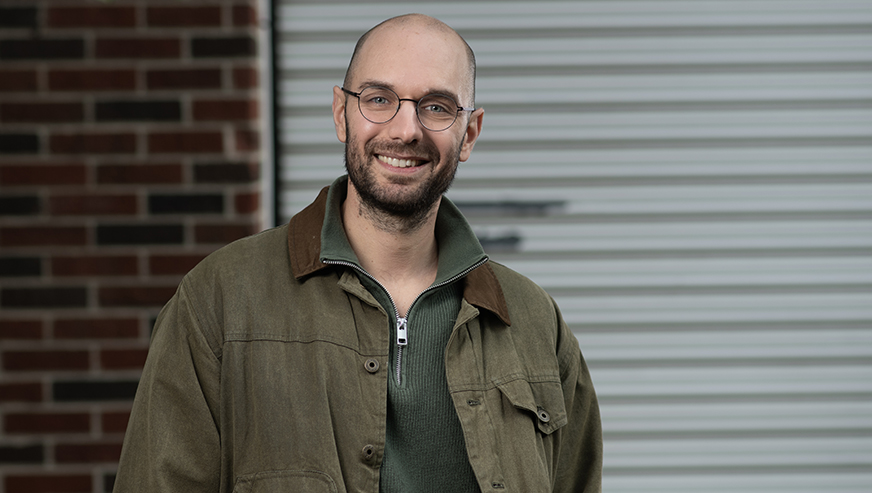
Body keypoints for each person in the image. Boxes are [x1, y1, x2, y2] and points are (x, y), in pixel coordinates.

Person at [113, 13, 602, 493]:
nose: (406, 129)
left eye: (436, 106)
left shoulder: (535, 322)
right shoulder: (219, 302)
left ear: (468, 133)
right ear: (341, 114)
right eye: (379, 99)